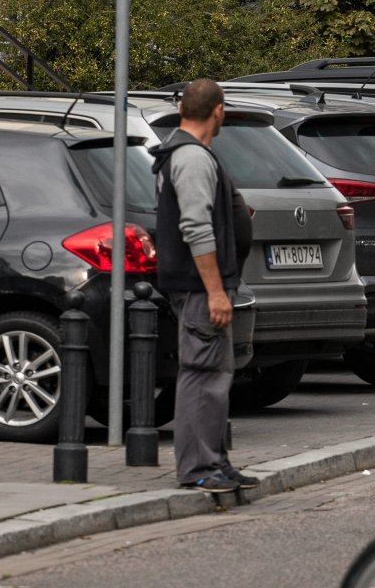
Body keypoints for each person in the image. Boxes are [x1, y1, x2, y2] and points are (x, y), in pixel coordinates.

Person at [150, 79, 256, 494]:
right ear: (218, 111)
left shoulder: (188, 152)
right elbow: (195, 228)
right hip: (200, 287)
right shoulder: (191, 158)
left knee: (215, 372)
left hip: (206, 284)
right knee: (202, 373)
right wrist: (214, 291)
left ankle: (214, 460)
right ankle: (198, 468)